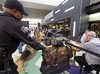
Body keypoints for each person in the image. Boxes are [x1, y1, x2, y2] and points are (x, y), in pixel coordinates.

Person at [0, 0, 47, 74]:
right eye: (21, 14)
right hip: (3, 65)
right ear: (15, 11)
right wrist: (44, 48)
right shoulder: (15, 25)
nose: (22, 17)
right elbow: (31, 41)